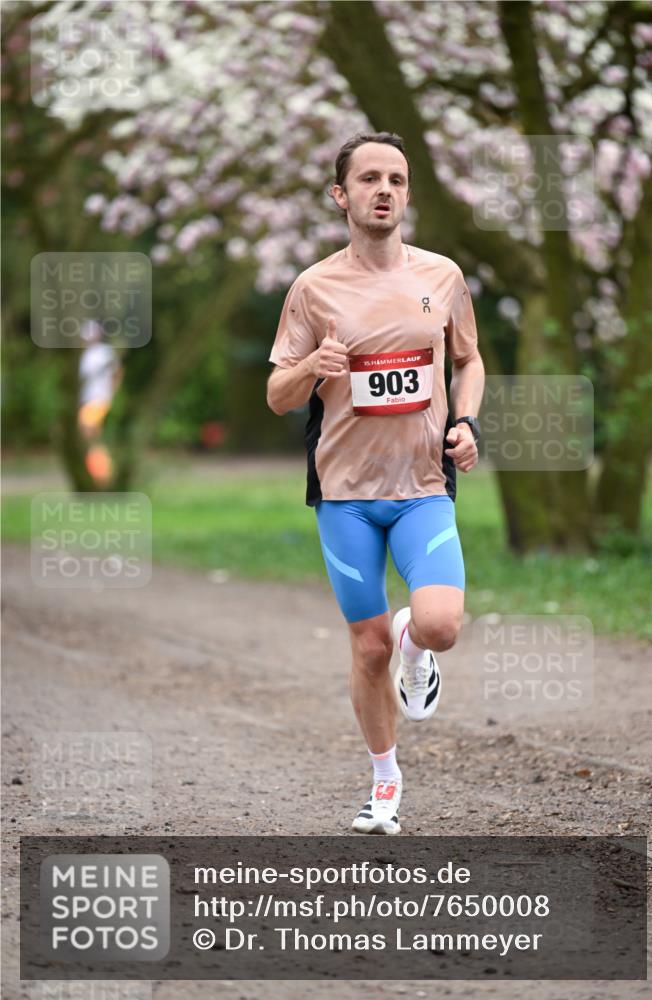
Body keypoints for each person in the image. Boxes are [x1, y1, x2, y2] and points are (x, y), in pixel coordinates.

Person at [267, 132, 484, 835]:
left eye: (395, 178)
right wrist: (313, 367)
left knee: (440, 626)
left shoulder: (442, 277)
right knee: (366, 648)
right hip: (345, 497)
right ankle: (384, 781)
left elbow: (468, 361)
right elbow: (275, 393)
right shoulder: (313, 287)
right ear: (342, 195)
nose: (383, 189)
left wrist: (468, 423)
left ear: (407, 193)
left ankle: (414, 647)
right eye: (367, 179)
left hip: (423, 485)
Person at [78, 320, 122, 486]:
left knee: (87, 432)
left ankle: (101, 472)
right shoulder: (82, 355)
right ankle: (99, 470)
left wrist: (112, 392)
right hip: (86, 400)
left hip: (98, 399)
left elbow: (117, 372)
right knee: (91, 436)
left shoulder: (105, 352)